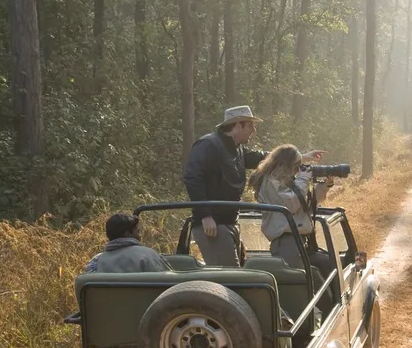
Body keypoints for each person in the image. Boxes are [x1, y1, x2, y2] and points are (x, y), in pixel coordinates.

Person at [183, 105, 324, 266]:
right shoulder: (208, 144)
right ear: (238, 125)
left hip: (229, 221)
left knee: (237, 273)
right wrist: (205, 215)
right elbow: (192, 177)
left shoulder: (238, 149)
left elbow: (267, 158)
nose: (254, 130)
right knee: (231, 278)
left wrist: (303, 157)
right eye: (250, 125)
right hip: (213, 224)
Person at [248, 144, 333, 279]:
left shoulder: (287, 181)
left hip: (300, 240)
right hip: (286, 243)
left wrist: (325, 186)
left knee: (326, 264)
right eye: (296, 166)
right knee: (305, 281)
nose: (297, 170)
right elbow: (291, 204)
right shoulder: (271, 183)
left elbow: (306, 206)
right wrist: (303, 178)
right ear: (286, 165)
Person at [84, 212, 171, 273]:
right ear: (127, 234)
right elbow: (169, 287)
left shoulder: (96, 262)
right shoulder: (149, 255)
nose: (140, 236)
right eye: (138, 231)